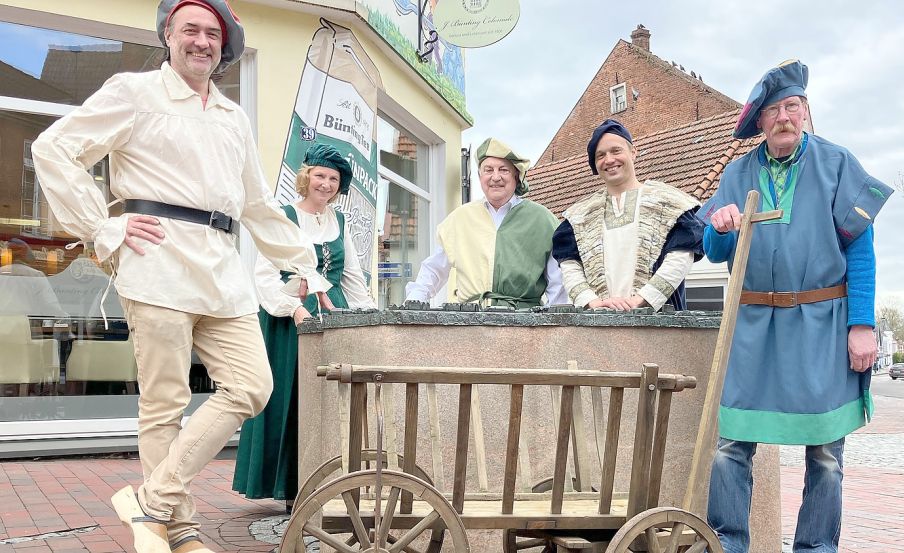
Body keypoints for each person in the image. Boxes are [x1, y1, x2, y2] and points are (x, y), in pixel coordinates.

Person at [30, 2, 331, 552]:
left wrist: (305, 265)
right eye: (190, 29)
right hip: (157, 261)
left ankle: (151, 500)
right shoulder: (133, 92)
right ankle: (182, 532)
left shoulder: (232, 116)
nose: (202, 41)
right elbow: (54, 148)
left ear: (224, 47)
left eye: (213, 34)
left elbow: (259, 204)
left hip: (221, 266)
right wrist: (103, 227)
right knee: (164, 403)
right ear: (168, 35)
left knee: (251, 385)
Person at [698, 60, 892, 553]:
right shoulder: (738, 172)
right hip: (754, 326)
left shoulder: (837, 164)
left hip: (822, 324)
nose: (783, 117)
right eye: (772, 110)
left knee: (826, 453)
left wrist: (862, 324)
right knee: (730, 447)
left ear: (805, 112)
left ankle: (816, 549)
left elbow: (860, 251)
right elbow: (716, 251)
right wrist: (720, 227)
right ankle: (728, 545)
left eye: (792, 106)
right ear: (759, 122)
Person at [233, 144, 374, 508]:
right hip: (288, 320)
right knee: (291, 399)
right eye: (320, 176)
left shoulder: (340, 223)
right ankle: (289, 488)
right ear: (306, 177)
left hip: (333, 317)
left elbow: (353, 278)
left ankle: (330, 480)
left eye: (334, 179)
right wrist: (293, 309)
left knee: (332, 399)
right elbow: (264, 275)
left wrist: (369, 317)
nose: (326, 184)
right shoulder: (284, 217)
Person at [551, 120, 705, 311]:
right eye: (600, 155)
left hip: (658, 320)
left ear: (633, 152)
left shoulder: (671, 202)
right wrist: (592, 302)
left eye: (616, 151)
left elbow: (680, 257)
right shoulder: (580, 215)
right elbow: (569, 265)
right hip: (598, 322)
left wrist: (641, 299)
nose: (609, 160)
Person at [404, 137, 567, 308]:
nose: (495, 177)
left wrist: (557, 325)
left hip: (524, 322)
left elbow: (558, 284)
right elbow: (434, 269)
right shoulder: (460, 219)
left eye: (503, 170)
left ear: (516, 176)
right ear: (480, 176)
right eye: (488, 170)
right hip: (471, 320)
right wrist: (415, 300)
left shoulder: (542, 220)